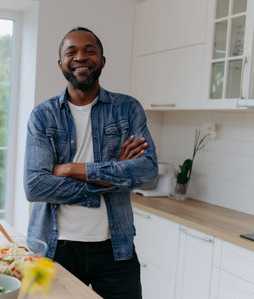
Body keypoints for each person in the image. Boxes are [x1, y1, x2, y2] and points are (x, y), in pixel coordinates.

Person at [23, 27, 158, 298]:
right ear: (61, 63)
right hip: (53, 248)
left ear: (102, 61)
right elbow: (35, 186)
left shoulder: (127, 108)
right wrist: (111, 179)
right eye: (71, 52)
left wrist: (73, 169)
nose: (80, 57)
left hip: (116, 249)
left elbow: (148, 171)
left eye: (89, 50)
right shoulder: (43, 116)